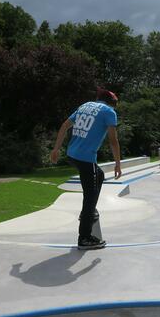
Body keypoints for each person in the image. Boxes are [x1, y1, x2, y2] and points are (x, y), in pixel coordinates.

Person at [51, 88, 121, 250]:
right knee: (89, 197)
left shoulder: (85, 106)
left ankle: (88, 212)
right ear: (112, 103)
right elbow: (113, 140)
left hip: (72, 155)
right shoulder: (109, 112)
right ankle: (84, 237)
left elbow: (64, 126)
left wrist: (56, 149)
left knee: (100, 175)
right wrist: (117, 163)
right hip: (86, 158)